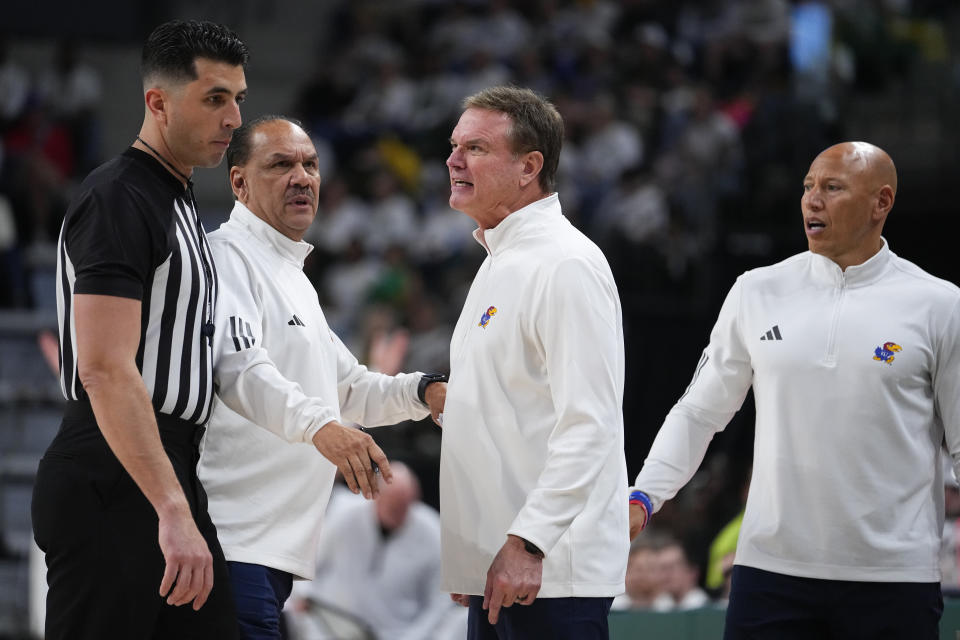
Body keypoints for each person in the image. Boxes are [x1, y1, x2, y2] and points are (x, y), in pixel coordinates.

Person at [629, 141, 960, 639]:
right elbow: (699, 413)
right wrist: (645, 495)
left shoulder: (939, 305)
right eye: (808, 187)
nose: (812, 200)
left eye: (832, 187)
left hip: (893, 579)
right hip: (770, 574)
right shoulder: (755, 291)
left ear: (881, 202)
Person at [31, 20, 248, 639]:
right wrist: (171, 506)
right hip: (116, 470)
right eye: (214, 98)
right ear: (158, 102)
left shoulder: (176, 198)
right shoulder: (119, 197)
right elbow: (103, 367)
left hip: (159, 466)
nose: (233, 118)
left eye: (238, 98)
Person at [199, 114, 447, 638]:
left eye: (310, 164)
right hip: (229, 543)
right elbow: (239, 369)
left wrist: (425, 391)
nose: (302, 177)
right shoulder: (225, 257)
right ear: (238, 181)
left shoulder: (292, 274)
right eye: (281, 164)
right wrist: (321, 428)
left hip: (273, 550)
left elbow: (350, 388)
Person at [440, 86, 629, 639]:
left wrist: (530, 542)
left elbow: (589, 423)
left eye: (474, 148)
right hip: (502, 567)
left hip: (549, 570)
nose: (453, 161)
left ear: (529, 166)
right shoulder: (501, 260)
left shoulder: (565, 264)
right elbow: (503, 412)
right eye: (454, 146)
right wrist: (468, 547)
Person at [288, 462, 458, 640]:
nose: (398, 512)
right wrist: (304, 596)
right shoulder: (344, 516)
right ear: (376, 496)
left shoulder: (432, 532)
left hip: (397, 632)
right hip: (334, 625)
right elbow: (308, 561)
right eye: (392, 504)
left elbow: (440, 602)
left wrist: (415, 636)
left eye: (405, 505)